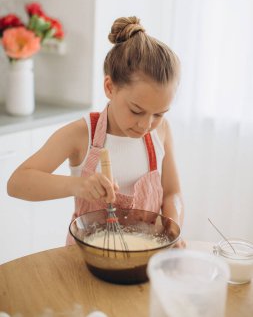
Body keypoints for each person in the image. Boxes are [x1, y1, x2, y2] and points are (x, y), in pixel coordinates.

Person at [7, 16, 184, 246]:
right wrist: (78, 185)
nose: (146, 125)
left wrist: (173, 223)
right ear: (110, 87)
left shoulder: (161, 132)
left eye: (159, 114)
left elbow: (172, 193)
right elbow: (17, 183)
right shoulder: (81, 134)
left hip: (144, 255)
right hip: (85, 258)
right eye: (136, 110)